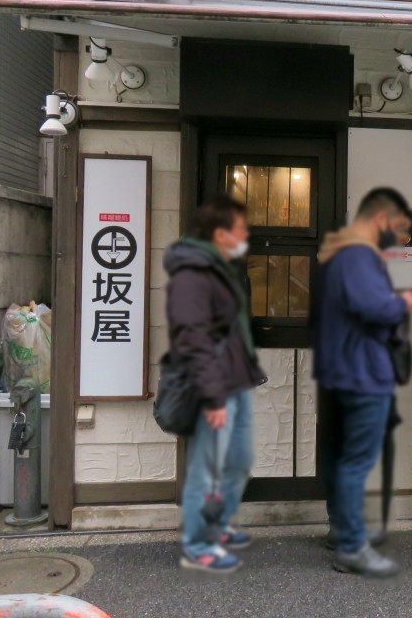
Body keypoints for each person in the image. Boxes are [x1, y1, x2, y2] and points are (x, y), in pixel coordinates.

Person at [314, 188, 412, 578]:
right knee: (356, 459)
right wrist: (402, 303)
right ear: (381, 220)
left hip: (339, 368)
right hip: (361, 371)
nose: (400, 237)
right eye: (398, 228)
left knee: (342, 454)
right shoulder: (358, 256)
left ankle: (345, 530)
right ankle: (351, 545)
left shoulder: (336, 254)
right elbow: (373, 308)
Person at [165, 196, 267, 574]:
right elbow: (194, 338)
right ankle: (198, 544)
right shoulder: (193, 274)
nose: (246, 234)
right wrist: (213, 396)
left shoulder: (220, 270)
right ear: (220, 234)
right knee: (206, 468)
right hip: (214, 387)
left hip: (235, 382)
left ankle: (217, 525)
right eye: (240, 228)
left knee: (238, 461)